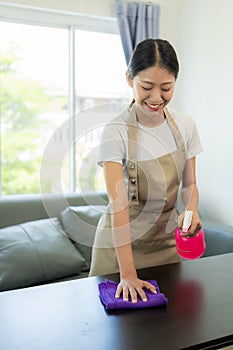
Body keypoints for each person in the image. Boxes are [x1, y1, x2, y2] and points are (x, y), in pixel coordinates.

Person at [89, 38, 203, 303]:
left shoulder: (185, 125)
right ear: (129, 79)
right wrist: (127, 274)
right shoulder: (115, 132)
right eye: (146, 87)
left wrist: (191, 209)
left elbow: (189, 185)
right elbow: (119, 208)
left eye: (166, 88)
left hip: (165, 245)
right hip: (119, 253)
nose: (155, 98)